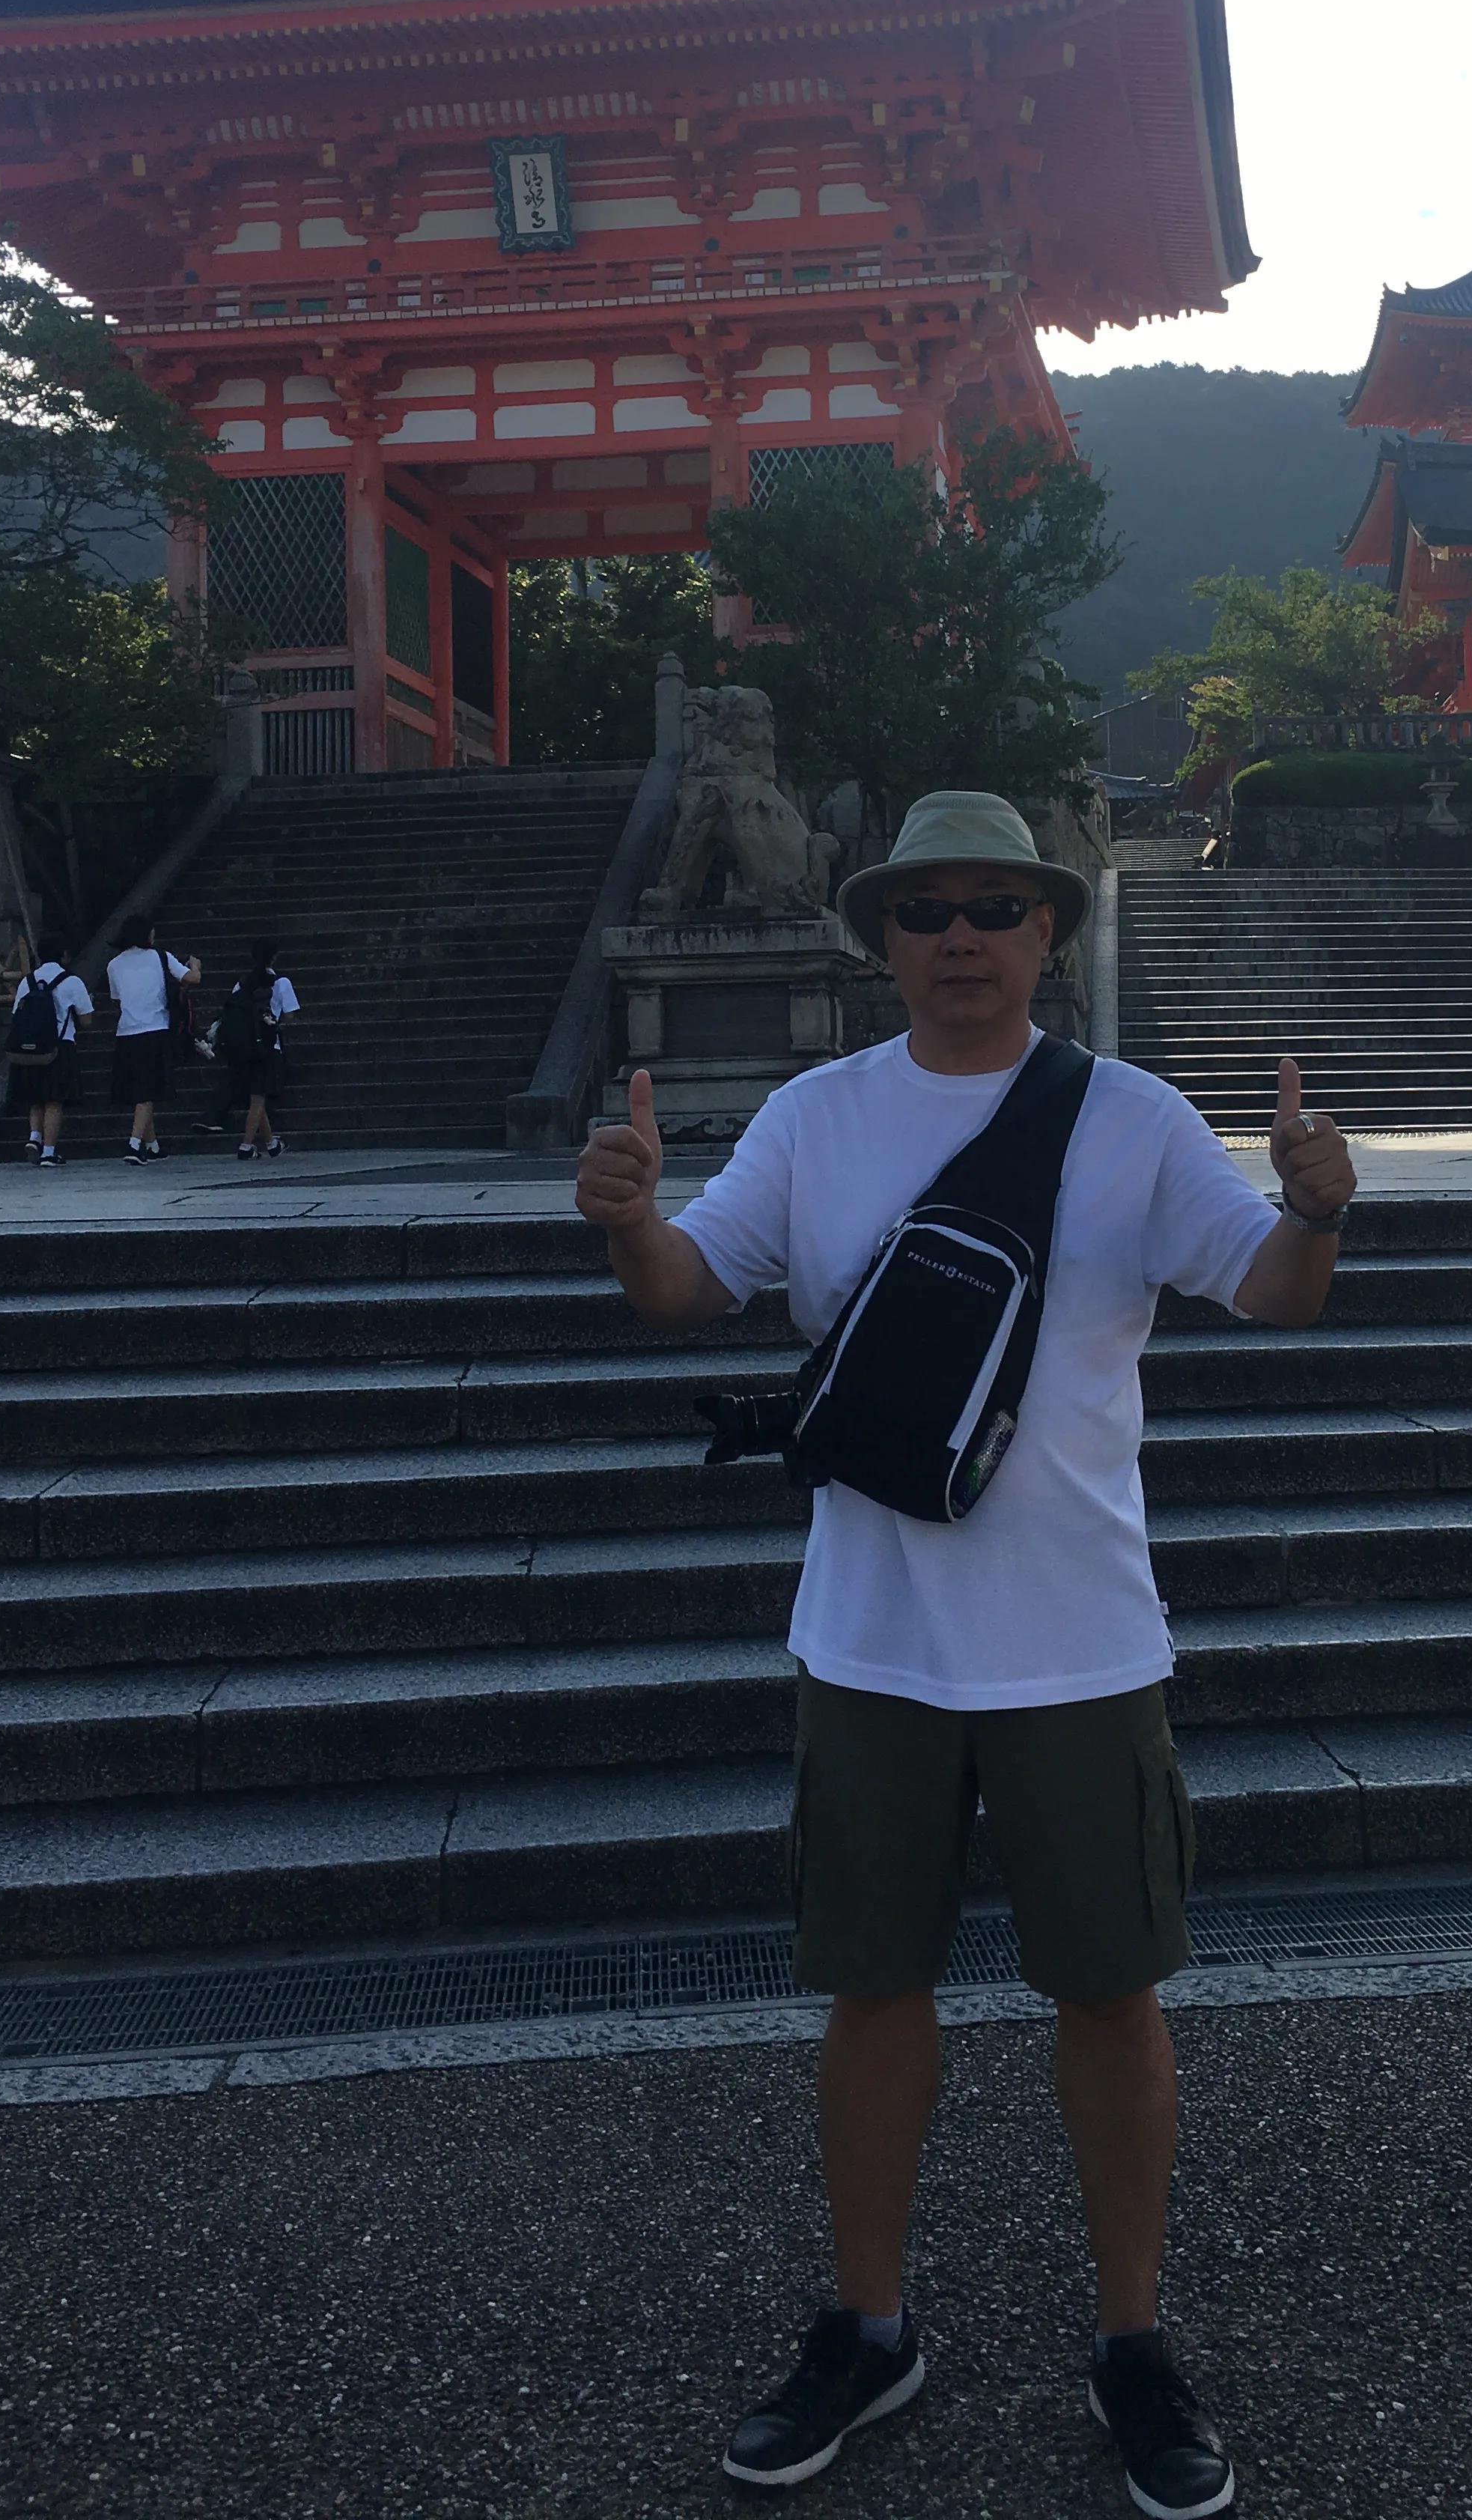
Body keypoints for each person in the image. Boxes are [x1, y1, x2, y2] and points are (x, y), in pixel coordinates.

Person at [576, 789, 1357, 2516]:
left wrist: (1314, 1211)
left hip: (1079, 1637)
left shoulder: (1137, 1121)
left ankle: (1135, 2344)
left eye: (995, 909)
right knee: (873, 1990)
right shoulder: (816, 1115)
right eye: (923, 911)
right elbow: (687, 1293)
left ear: (1048, 936)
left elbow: (1270, 1294)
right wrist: (629, 1219)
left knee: (1111, 1991)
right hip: (872, 1639)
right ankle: (868, 2326)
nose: (958, 940)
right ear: (881, 940)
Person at [104, 916, 200, 1165]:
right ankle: (134, 1145)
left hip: (126, 1031)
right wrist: (196, 965)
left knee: (140, 1090)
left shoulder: (114, 964)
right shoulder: (161, 956)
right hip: (155, 1029)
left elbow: (117, 998)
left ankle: (153, 1145)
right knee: (147, 1092)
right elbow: (192, 979)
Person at [7, 951, 94, 1168]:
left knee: (36, 1098)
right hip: (60, 1046)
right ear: (65, 955)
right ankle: (49, 1152)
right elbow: (86, 1021)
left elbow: (16, 1014)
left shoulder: (27, 982)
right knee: (55, 1101)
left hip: (31, 1049)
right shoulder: (72, 981)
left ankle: (34, 1137)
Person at [216, 938, 299, 1160]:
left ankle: (271, 1144)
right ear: (274, 957)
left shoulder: (242, 983)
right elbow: (290, 1015)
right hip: (269, 1046)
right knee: (258, 1099)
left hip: (245, 1046)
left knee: (256, 1096)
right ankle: (245, 1146)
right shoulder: (281, 982)